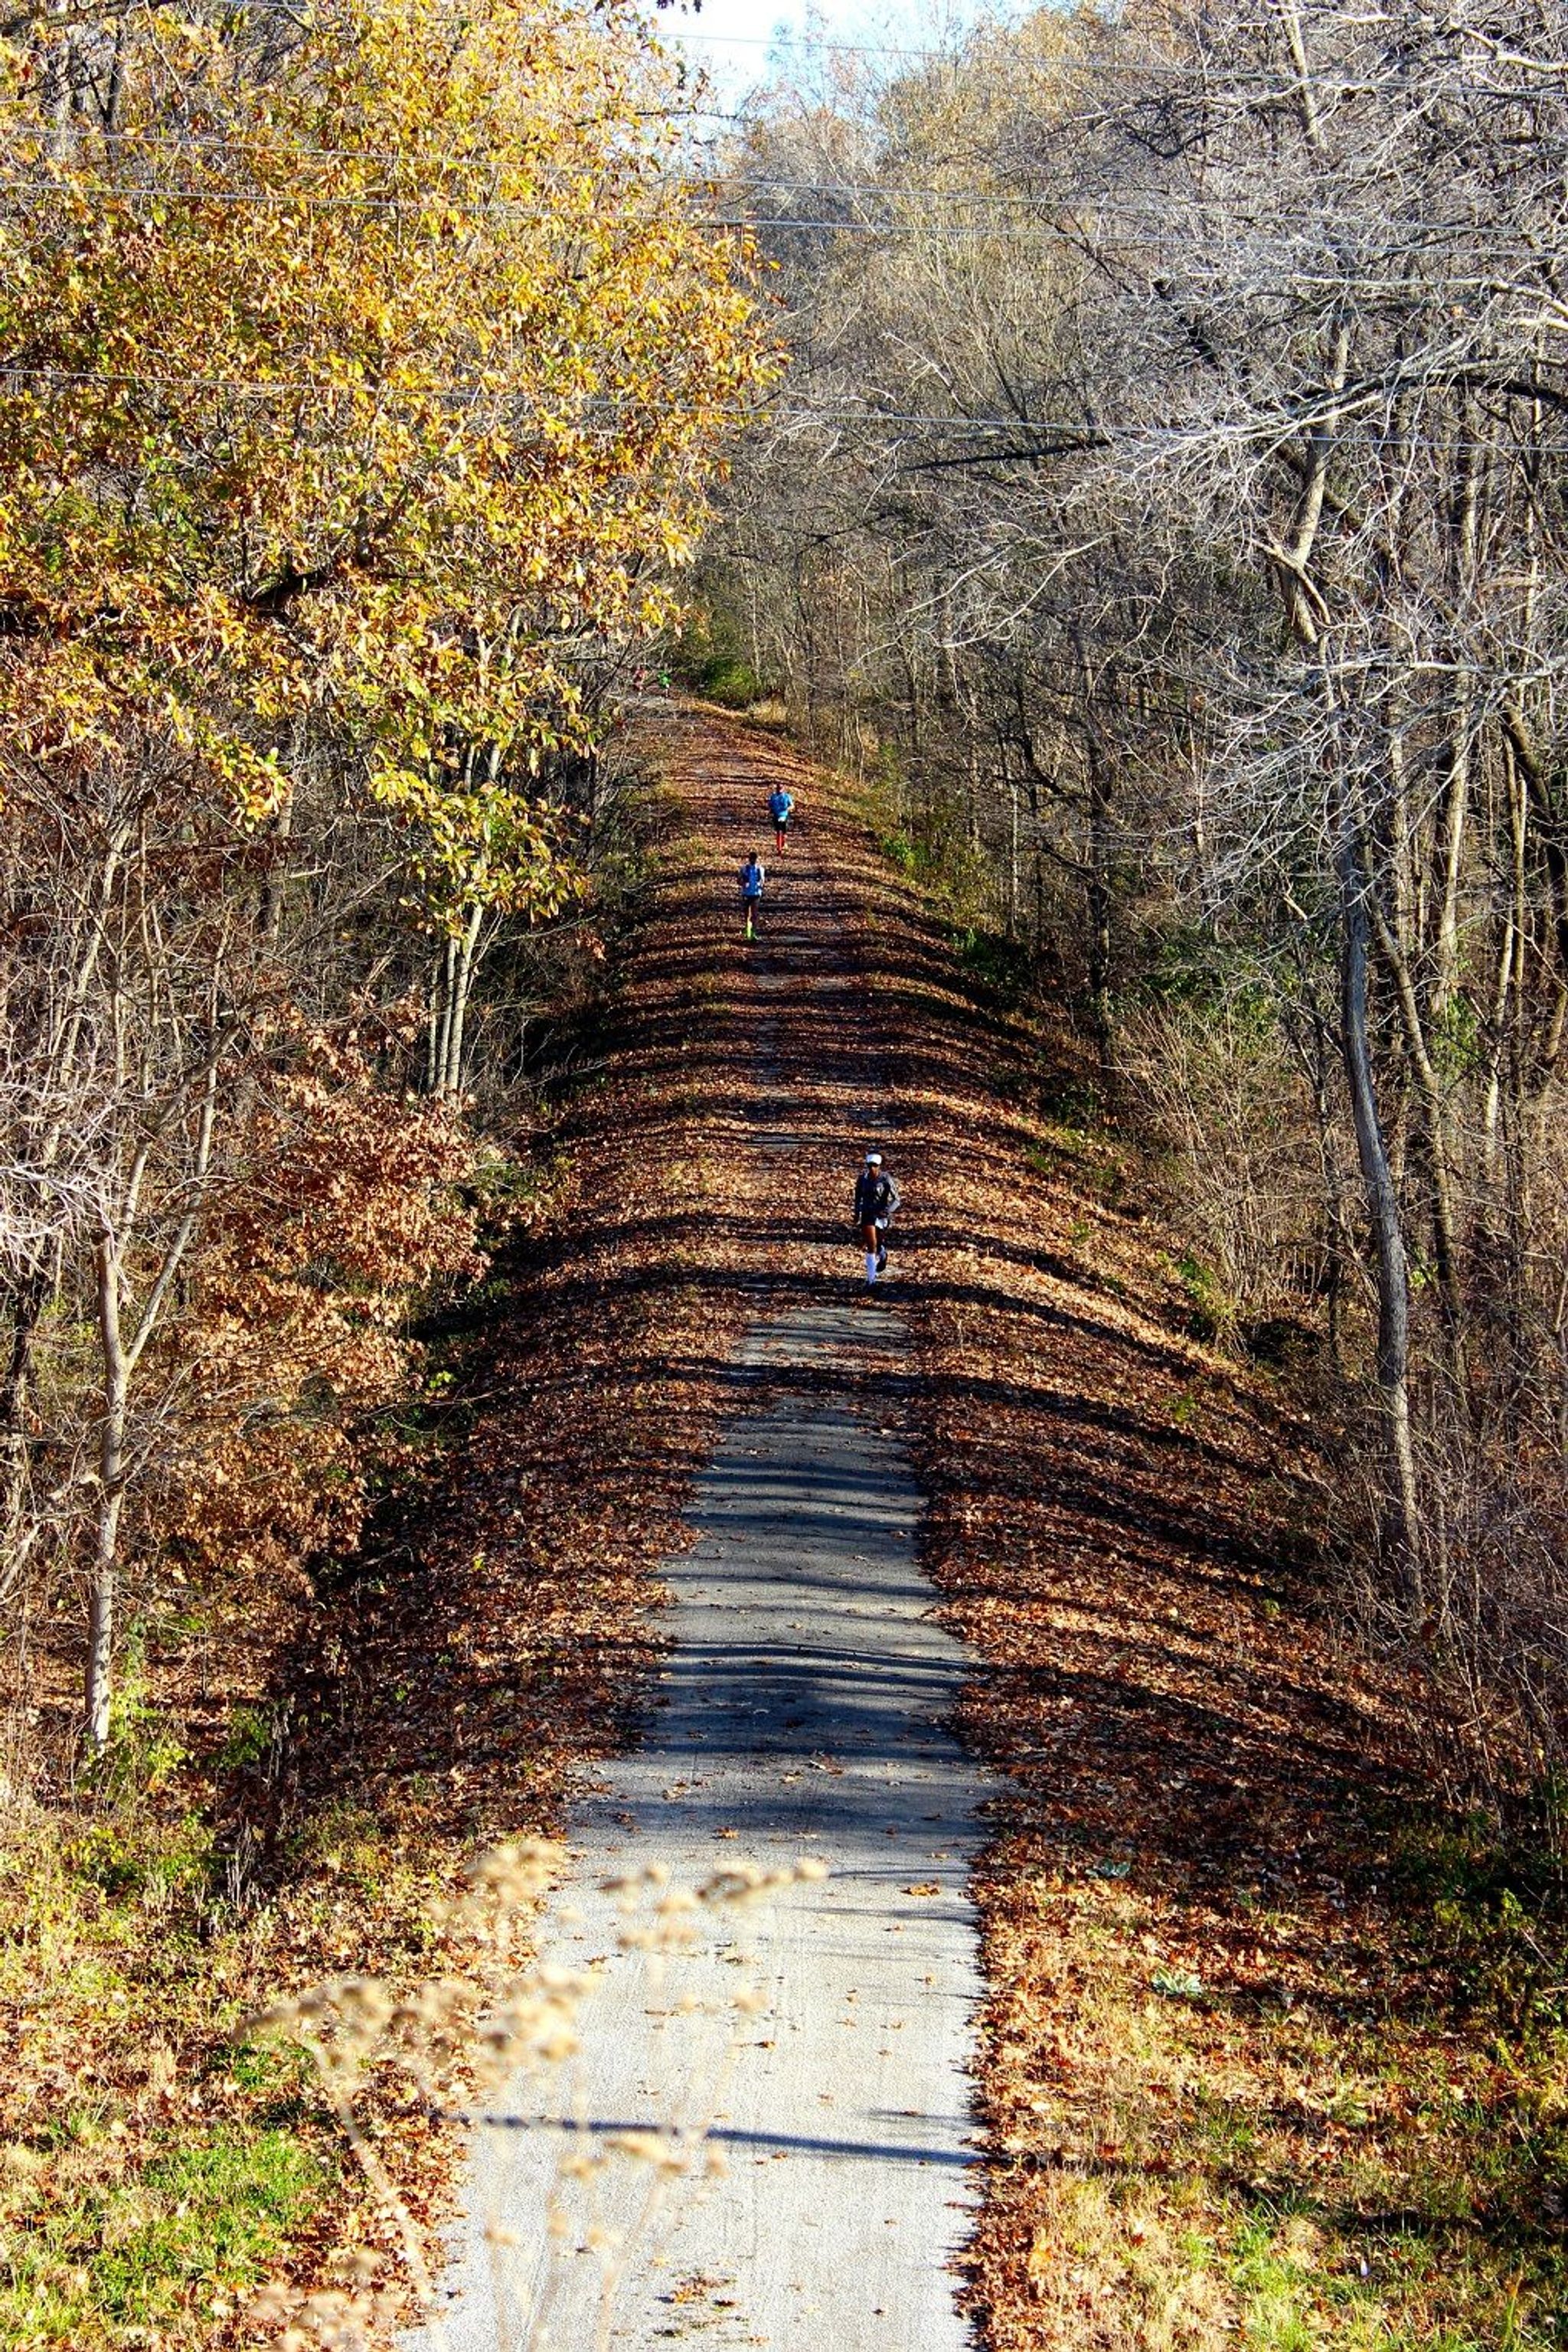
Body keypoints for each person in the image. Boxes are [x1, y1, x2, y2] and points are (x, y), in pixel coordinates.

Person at [852, 1149, 900, 1287]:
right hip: (867, 1213)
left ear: (879, 1166)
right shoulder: (862, 1179)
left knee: (878, 1242)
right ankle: (871, 1279)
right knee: (871, 1244)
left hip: (881, 1214)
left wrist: (887, 1211)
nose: (872, 1168)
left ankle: (883, 1253)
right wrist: (857, 1213)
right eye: (869, 1165)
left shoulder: (886, 1179)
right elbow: (857, 1197)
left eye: (874, 1165)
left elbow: (897, 1200)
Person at [739, 849, 766, 939]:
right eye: (751, 858)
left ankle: (753, 933)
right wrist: (743, 882)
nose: (753, 860)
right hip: (746, 893)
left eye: (754, 859)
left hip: (756, 894)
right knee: (746, 914)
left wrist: (760, 885)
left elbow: (762, 881)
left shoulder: (760, 869)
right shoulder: (744, 869)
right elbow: (739, 880)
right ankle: (748, 932)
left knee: (754, 914)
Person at [768, 783, 795, 852]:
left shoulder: (787, 796)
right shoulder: (773, 797)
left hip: (784, 816)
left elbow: (792, 806)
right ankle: (778, 846)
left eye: (781, 788)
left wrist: (787, 809)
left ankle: (783, 842)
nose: (779, 790)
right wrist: (771, 810)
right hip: (776, 815)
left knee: (784, 831)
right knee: (778, 831)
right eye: (778, 788)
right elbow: (770, 805)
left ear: (783, 789)